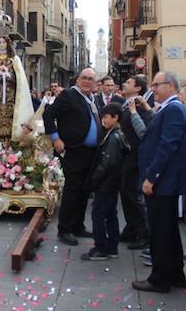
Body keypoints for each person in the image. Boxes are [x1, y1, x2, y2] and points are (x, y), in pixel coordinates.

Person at [132, 71, 186, 293]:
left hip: (163, 182)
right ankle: (175, 272)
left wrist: (151, 177)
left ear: (169, 86)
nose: (153, 89)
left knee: (160, 231)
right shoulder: (169, 108)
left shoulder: (174, 109)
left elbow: (167, 147)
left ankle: (159, 279)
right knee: (168, 230)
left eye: (156, 85)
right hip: (165, 181)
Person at [43, 68, 101, 246]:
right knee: (72, 190)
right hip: (74, 150)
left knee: (84, 190)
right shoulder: (69, 95)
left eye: (91, 79)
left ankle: (78, 225)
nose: (87, 81)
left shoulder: (91, 98)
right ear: (78, 80)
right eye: (84, 78)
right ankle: (65, 229)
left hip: (90, 152)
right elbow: (48, 114)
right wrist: (55, 138)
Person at [81, 102, 129, 261]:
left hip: (107, 183)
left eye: (106, 117)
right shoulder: (114, 133)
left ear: (115, 118)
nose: (103, 120)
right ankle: (112, 246)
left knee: (99, 214)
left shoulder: (114, 137)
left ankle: (101, 248)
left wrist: (96, 178)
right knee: (110, 213)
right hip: (111, 182)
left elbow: (108, 162)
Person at [0, 35, 34, 144]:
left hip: (11, 96)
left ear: (7, 44)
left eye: (4, 42)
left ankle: (12, 143)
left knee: (11, 117)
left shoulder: (14, 59)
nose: (2, 44)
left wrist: (9, 76)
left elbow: (20, 80)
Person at [118, 75, 152, 249]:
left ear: (138, 89)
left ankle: (143, 232)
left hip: (136, 157)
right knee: (126, 193)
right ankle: (132, 227)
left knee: (133, 195)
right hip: (127, 156)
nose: (124, 83)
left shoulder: (139, 107)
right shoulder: (128, 105)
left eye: (129, 82)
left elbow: (144, 133)